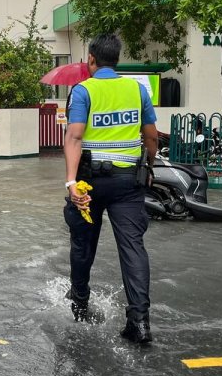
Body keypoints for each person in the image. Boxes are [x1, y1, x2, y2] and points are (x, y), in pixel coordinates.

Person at [63, 33, 159, 345]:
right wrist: (150, 164)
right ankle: (139, 322)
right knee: (133, 248)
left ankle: (79, 304)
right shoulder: (136, 89)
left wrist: (71, 183)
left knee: (82, 245)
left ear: (91, 58)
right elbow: (152, 137)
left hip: (89, 182)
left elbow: (75, 138)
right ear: (117, 59)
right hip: (127, 184)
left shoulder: (83, 91)